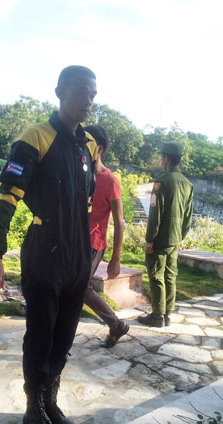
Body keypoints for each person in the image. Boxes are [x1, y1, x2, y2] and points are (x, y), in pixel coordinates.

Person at [0, 65, 97, 424]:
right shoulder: (36, 136)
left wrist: (91, 254)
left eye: (93, 94)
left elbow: (84, 200)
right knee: (41, 333)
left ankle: (51, 401)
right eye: (81, 91)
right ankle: (33, 409)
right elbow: (7, 195)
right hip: (45, 251)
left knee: (65, 333)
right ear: (60, 92)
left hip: (78, 253)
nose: (88, 100)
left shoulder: (87, 145)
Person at [137, 141, 193, 328]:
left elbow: (156, 213)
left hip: (161, 237)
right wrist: (181, 236)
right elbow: (188, 216)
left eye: (162, 157)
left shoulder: (162, 181)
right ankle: (168, 313)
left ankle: (157, 315)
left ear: (166, 158)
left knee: (156, 275)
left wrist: (150, 239)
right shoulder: (187, 184)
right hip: (175, 238)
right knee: (171, 275)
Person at [83, 124, 128, 347]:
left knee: (81, 289)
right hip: (72, 241)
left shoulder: (110, 181)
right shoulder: (78, 175)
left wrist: (116, 258)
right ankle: (116, 325)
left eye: (86, 143)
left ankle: (116, 324)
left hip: (93, 244)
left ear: (98, 149)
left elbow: (119, 221)